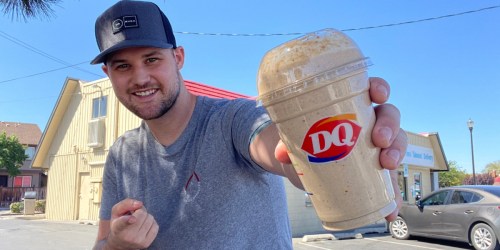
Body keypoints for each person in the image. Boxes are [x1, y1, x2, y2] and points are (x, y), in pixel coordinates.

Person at [91, 1, 407, 249]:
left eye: (152, 59)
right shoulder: (122, 155)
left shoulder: (234, 120)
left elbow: (281, 150)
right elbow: (102, 244)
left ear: (178, 58)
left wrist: (344, 147)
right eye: (123, 66)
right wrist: (116, 246)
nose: (140, 78)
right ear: (108, 74)